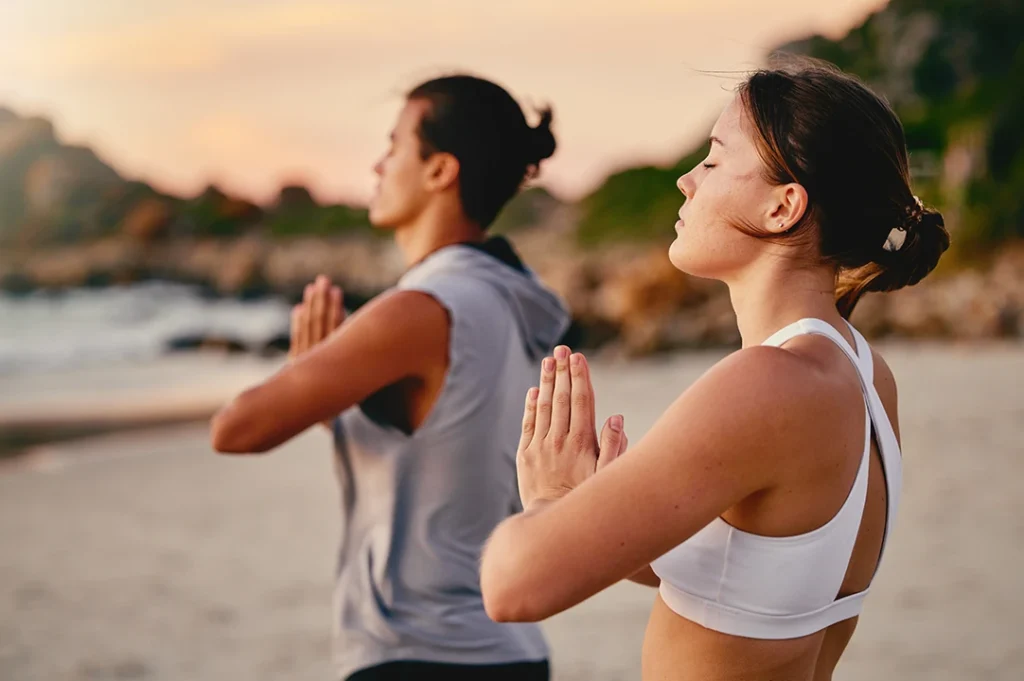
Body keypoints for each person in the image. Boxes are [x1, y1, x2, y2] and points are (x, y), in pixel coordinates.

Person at [479, 59, 950, 681]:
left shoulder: (768, 384)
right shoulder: (862, 371)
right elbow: (756, 580)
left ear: (784, 207)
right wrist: (603, 510)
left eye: (713, 159)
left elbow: (512, 589)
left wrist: (547, 501)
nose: (684, 181)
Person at [210, 74, 571, 681]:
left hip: (424, 653)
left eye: (394, 145)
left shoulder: (420, 308)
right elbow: (444, 442)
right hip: (507, 650)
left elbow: (237, 428)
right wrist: (334, 396)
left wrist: (310, 371)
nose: (378, 165)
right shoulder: (511, 301)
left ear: (440, 171)